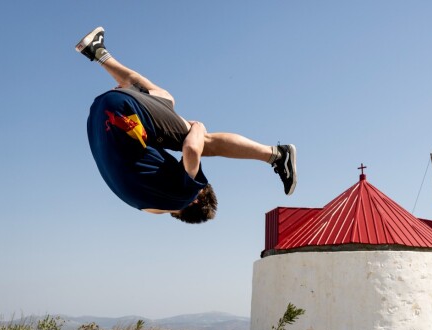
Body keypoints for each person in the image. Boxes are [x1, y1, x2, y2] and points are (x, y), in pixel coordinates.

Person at [77, 27, 296, 224]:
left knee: (203, 142)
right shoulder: (147, 207)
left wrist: (198, 128)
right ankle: (98, 51)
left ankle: (276, 155)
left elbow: (191, 150)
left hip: (122, 111)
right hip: (99, 115)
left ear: (197, 200)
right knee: (163, 98)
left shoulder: (186, 196)